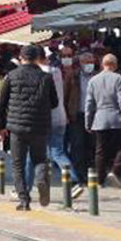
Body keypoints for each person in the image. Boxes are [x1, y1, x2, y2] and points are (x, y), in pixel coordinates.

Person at [0, 45, 58, 211]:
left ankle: (24, 200)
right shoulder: (46, 77)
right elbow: (54, 103)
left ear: (21, 58)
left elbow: (2, 104)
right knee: (39, 159)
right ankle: (41, 179)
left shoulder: (11, 76)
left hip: (16, 128)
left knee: (18, 164)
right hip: (39, 126)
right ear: (37, 58)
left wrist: (0, 126)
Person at [26, 49, 85, 200]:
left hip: (44, 119)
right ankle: (74, 181)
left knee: (32, 153)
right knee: (57, 152)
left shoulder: (38, 74)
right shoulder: (56, 72)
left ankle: (25, 187)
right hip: (60, 117)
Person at [85, 54, 121, 188]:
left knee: (100, 150)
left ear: (102, 64)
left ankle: (100, 180)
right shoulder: (119, 78)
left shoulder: (93, 81)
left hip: (99, 118)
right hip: (115, 117)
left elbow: (89, 103)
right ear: (115, 65)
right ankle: (115, 172)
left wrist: (88, 122)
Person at [65, 51, 98, 183]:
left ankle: (91, 174)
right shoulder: (73, 76)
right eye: (86, 62)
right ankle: (78, 175)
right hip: (77, 115)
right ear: (80, 63)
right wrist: (66, 113)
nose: (89, 65)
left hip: (94, 115)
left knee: (92, 145)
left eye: (91, 62)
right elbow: (65, 95)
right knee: (77, 145)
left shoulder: (97, 77)